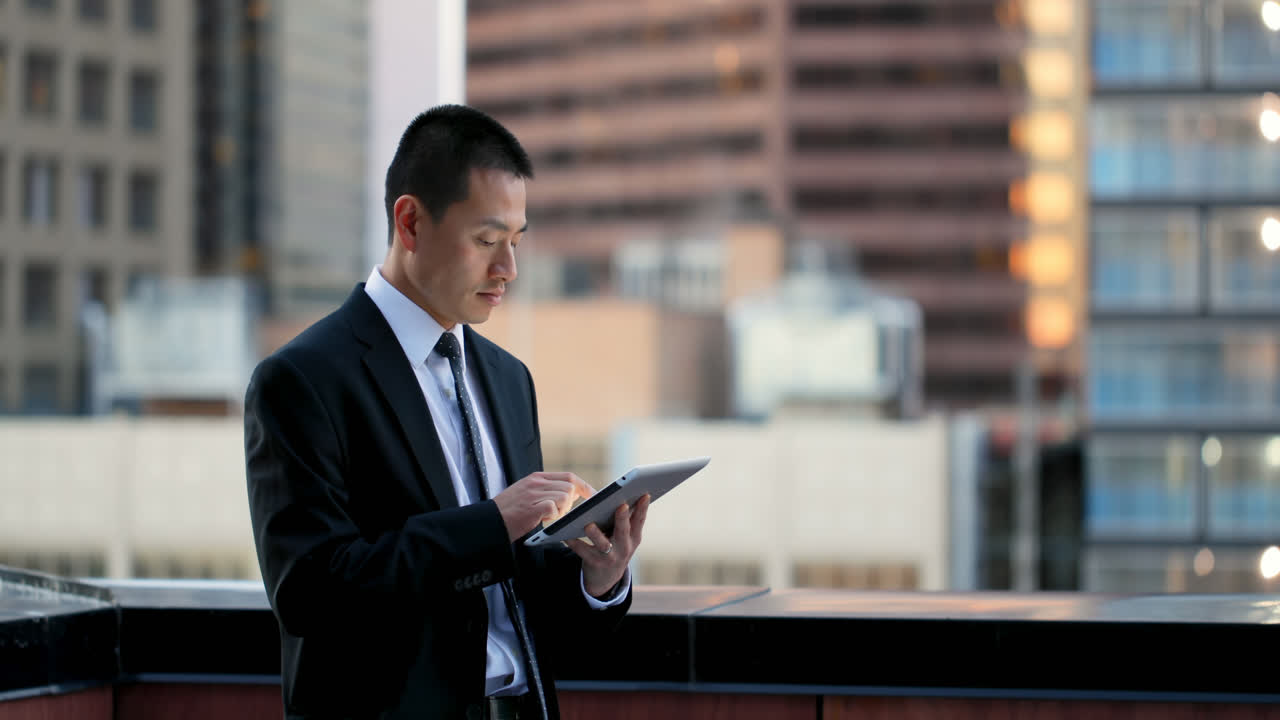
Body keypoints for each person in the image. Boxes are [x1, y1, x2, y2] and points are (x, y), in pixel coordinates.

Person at [245, 104, 650, 719]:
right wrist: (493, 522)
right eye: (487, 241)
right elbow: (311, 594)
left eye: (515, 242)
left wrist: (600, 576)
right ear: (410, 223)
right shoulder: (301, 380)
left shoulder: (509, 380)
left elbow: (514, 585)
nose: (507, 269)